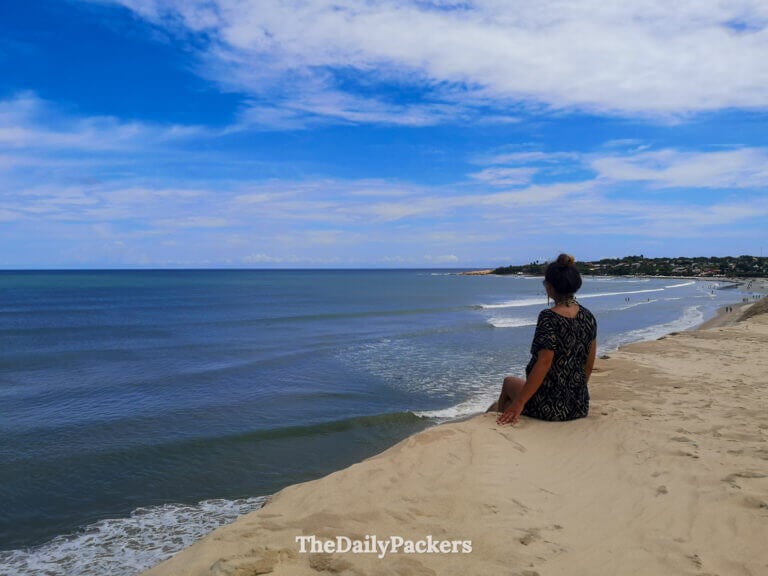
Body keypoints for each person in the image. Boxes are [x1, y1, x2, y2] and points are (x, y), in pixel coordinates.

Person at [494, 253, 597, 425]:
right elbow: (589, 362)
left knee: (508, 382)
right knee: (516, 391)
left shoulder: (549, 317)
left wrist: (519, 403)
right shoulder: (589, 316)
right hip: (578, 405)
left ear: (549, 287)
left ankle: (500, 425)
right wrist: (575, 393)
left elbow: (544, 362)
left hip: (549, 407)